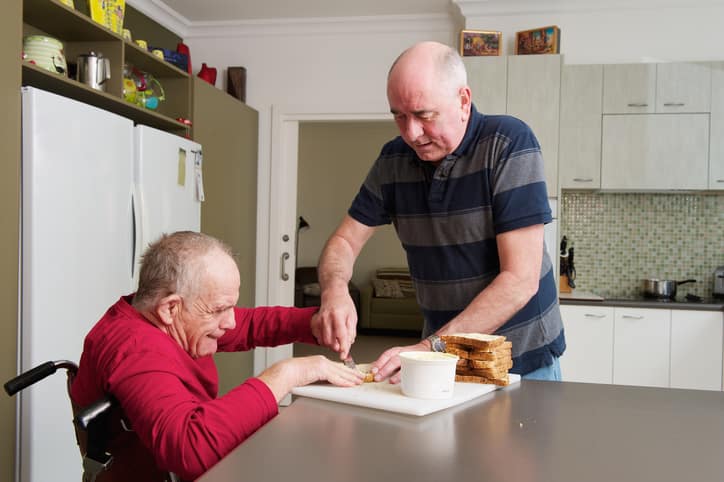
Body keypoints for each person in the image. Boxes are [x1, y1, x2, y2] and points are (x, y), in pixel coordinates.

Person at [315, 41, 565, 383]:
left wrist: (430, 348)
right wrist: (335, 290)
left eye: (423, 115)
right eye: (399, 116)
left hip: (520, 360)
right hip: (442, 357)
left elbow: (520, 281)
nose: (411, 133)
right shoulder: (393, 161)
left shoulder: (507, 144)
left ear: (463, 101)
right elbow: (345, 240)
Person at [70, 231, 364, 481]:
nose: (231, 322)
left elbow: (250, 325)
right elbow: (189, 449)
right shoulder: (136, 348)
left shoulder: (168, 319)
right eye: (219, 309)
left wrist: (315, 323)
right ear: (170, 308)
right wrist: (287, 374)